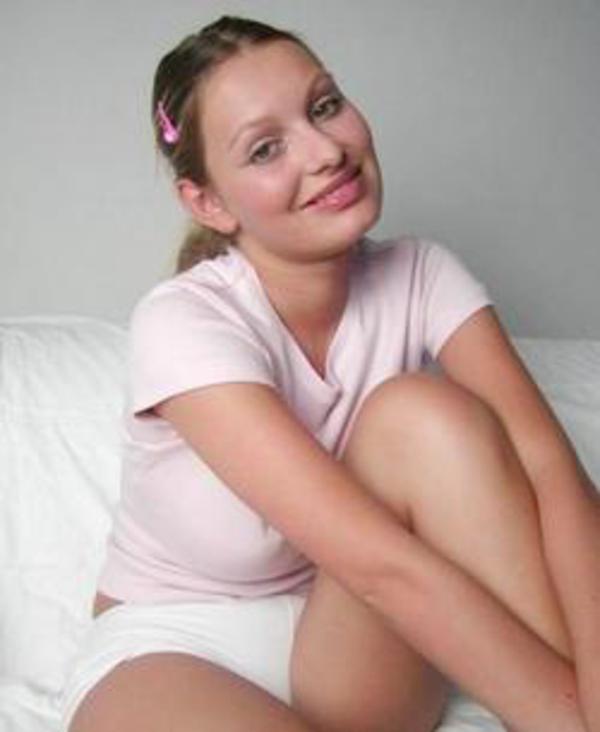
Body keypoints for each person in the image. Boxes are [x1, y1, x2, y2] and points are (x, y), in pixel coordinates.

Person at [61, 15, 600, 732]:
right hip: (176, 643)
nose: (326, 152)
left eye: (324, 106)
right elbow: (383, 566)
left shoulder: (423, 275)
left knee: (422, 415)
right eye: (265, 149)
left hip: (351, 642)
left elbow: (553, 478)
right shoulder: (184, 321)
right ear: (208, 202)